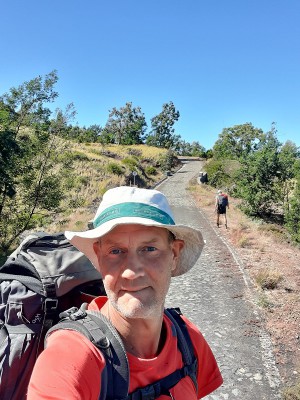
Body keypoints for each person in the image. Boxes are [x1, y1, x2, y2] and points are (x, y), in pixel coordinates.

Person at [28, 186, 223, 399]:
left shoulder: (189, 340)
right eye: (116, 251)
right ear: (99, 258)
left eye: (149, 249)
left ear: (174, 254)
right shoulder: (72, 356)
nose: (131, 272)